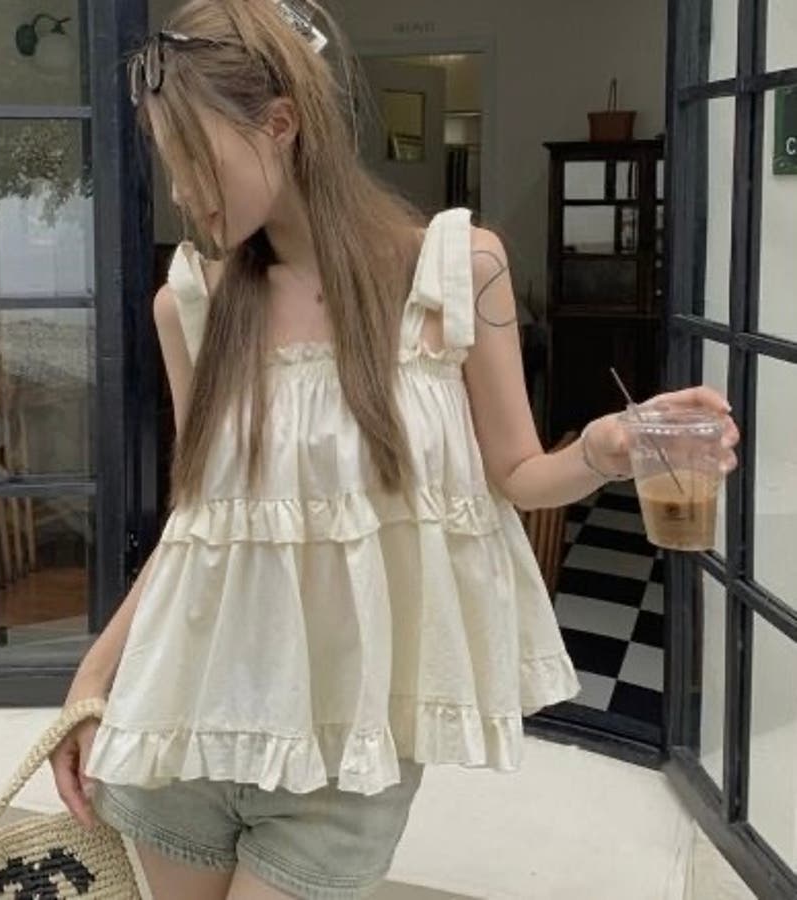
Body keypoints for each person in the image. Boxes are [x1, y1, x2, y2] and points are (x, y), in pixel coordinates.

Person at [49, 1, 741, 898]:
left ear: (280, 124)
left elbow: (519, 477)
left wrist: (609, 448)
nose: (180, 190)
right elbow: (199, 522)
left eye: (192, 155)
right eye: (166, 159)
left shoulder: (457, 271)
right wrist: (92, 680)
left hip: (348, 755)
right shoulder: (191, 302)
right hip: (184, 728)